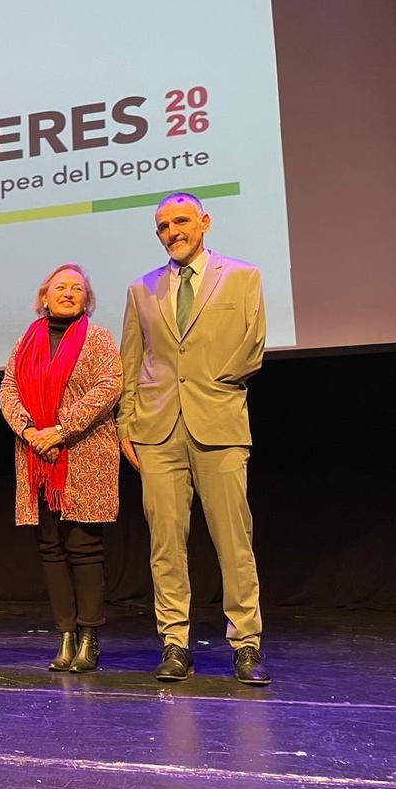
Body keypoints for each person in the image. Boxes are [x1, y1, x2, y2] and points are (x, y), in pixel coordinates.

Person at [118, 191, 270, 685]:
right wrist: (127, 424)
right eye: (163, 226)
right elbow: (130, 363)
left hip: (219, 423)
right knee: (166, 544)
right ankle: (174, 641)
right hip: (158, 430)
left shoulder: (243, 276)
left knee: (234, 541)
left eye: (180, 221)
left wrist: (218, 384)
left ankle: (245, 643)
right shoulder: (142, 289)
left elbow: (253, 345)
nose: (172, 232)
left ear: (204, 222)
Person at [0, 264, 122, 672]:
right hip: (37, 457)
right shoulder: (25, 341)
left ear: (87, 299)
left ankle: (89, 637)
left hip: (84, 454)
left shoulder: (99, 339)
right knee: (50, 548)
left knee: (85, 548)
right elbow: (8, 390)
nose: (68, 293)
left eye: (77, 288)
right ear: (44, 297)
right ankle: (66, 635)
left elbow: (109, 386)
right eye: (60, 287)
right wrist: (31, 430)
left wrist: (61, 429)